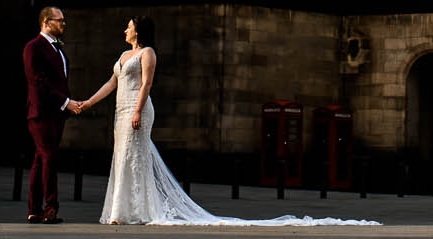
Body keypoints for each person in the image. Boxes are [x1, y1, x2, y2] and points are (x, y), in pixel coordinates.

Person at [71, 16, 375, 227]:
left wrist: (138, 111)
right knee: (121, 159)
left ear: (139, 30)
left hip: (137, 109)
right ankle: (120, 211)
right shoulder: (123, 56)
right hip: (120, 111)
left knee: (134, 158)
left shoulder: (147, 53)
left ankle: (135, 211)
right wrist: (87, 102)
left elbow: (147, 85)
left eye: (129, 26)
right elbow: (111, 83)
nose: (125, 30)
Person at [23, 6, 80, 224]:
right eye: (60, 20)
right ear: (47, 22)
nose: (63, 24)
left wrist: (67, 104)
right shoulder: (33, 47)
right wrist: (66, 102)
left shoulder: (58, 49)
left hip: (56, 114)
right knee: (48, 157)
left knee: (40, 159)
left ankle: (34, 209)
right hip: (41, 112)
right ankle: (50, 208)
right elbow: (38, 82)